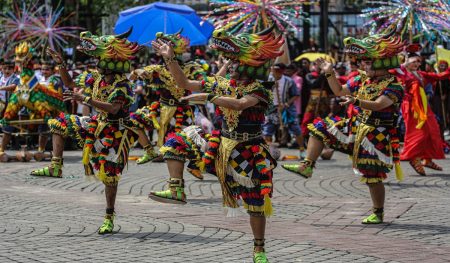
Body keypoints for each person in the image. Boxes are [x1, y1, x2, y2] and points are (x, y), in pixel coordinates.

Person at [149, 26, 284, 263]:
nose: (229, 64)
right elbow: (184, 83)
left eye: (233, 60)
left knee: (255, 204)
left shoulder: (260, 89)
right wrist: (169, 58)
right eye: (229, 60)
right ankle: (176, 189)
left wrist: (209, 97)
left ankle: (259, 249)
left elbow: (240, 104)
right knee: (176, 142)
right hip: (219, 146)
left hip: (247, 153)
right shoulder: (222, 83)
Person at [282, 25, 406, 224]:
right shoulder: (361, 79)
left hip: (377, 133)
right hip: (355, 126)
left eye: (367, 62)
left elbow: (380, 104)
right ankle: (307, 165)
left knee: (372, 175)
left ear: (381, 62)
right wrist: (329, 73)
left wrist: (356, 102)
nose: (363, 65)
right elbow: (339, 91)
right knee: (320, 128)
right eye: (363, 61)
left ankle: (378, 212)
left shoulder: (394, 85)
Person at [31, 29, 140, 234]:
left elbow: (114, 108)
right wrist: (61, 63)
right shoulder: (95, 78)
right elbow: (70, 83)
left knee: (110, 176)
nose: (96, 62)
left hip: (115, 133)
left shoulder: (123, 85)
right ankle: (56, 166)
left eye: (99, 58)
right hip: (95, 123)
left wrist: (86, 100)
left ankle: (109, 216)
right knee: (58, 124)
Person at [0, 42, 66, 160]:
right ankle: (5, 149)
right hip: (24, 104)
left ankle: (41, 150)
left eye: (22, 55)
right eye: (18, 55)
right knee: (9, 120)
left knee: (44, 121)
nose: (18, 59)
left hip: (41, 102)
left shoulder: (52, 80)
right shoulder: (24, 78)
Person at [392, 48, 450, 175]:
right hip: (412, 107)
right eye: (414, 61)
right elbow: (391, 71)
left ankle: (427, 159)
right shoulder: (401, 72)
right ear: (407, 60)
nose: (417, 64)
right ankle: (413, 158)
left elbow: (439, 76)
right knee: (418, 133)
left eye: (419, 62)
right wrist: (403, 64)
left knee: (433, 131)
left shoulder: (421, 74)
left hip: (424, 107)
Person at [263, 63, 304, 158]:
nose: (276, 72)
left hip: (287, 110)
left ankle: (302, 150)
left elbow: (296, 95)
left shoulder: (289, 81)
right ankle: (266, 152)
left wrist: (286, 104)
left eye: (278, 70)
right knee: (267, 131)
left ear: (282, 71)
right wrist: (272, 87)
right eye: (274, 70)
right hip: (271, 109)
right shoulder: (267, 80)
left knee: (296, 129)